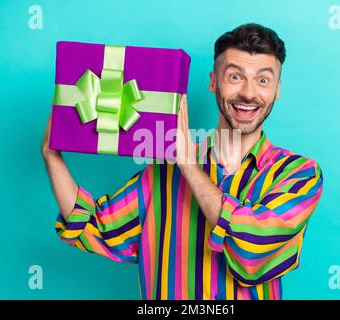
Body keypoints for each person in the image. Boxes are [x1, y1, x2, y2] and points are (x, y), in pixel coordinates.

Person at [41, 23, 324, 300]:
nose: (249, 93)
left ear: (277, 89)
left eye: (263, 80)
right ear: (214, 82)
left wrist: (188, 163)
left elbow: (253, 247)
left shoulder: (299, 174)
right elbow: (94, 226)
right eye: (235, 77)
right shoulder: (162, 174)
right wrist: (51, 156)